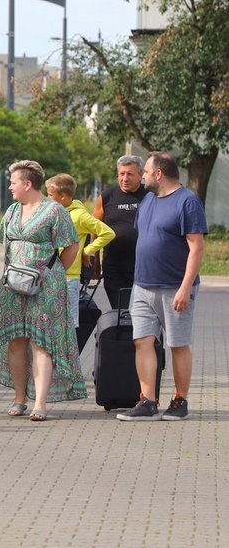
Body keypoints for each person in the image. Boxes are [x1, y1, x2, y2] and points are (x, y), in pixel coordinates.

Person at [0, 160, 84, 422]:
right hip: (13, 285)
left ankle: (40, 403)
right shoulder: (11, 210)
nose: (10, 187)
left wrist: (52, 274)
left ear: (27, 184)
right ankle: (20, 398)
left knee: (41, 342)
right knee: (15, 340)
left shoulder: (55, 211)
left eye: (13, 182)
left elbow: (71, 247)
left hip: (45, 286)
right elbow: (7, 245)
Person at [117, 152, 207, 422]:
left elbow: (197, 247)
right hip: (143, 285)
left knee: (177, 344)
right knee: (142, 341)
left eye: (145, 171)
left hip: (174, 288)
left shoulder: (187, 202)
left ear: (159, 174)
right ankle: (147, 401)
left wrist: (185, 287)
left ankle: (180, 401)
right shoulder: (148, 201)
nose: (142, 176)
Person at [45, 173, 115, 327]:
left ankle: (69, 351)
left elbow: (108, 233)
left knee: (69, 325)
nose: (47, 198)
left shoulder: (80, 216)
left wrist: (86, 251)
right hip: (51, 275)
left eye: (50, 195)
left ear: (63, 197)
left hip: (69, 277)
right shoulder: (55, 212)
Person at [93, 155, 149, 309]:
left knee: (142, 315)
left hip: (143, 267)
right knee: (121, 313)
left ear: (140, 175)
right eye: (121, 174)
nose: (125, 178)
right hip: (114, 267)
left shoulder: (150, 196)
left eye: (130, 174)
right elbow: (95, 230)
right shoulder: (106, 197)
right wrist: (96, 262)